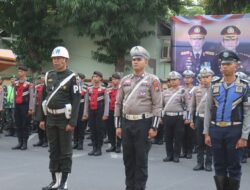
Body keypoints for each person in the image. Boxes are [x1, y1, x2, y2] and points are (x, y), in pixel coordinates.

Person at [115, 46, 162, 190]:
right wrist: (118, 125)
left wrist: (154, 127)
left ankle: (140, 187)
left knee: (141, 160)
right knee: (128, 159)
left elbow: (157, 105)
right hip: (127, 122)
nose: (135, 62)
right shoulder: (125, 80)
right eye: (133, 59)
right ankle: (129, 187)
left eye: (139, 59)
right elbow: (118, 103)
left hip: (144, 123)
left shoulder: (153, 80)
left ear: (146, 62)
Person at [204, 50, 250, 190]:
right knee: (218, 165)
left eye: (228, 64)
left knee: (234, 166)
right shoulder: (215, 84)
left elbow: (248, 112)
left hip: (234, 130)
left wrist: (244, 135)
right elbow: (208, 109)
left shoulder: (244, 85)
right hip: (216, 129)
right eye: (222, 64)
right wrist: (206, 132)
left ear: (236, 65)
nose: (224, 66)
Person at [39, 46, 80, 190]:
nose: (55, 61)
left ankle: (64, 182)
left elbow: (76, 101)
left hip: (64, 120)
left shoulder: (72, 78)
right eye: (54, 59)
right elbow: (43, 98)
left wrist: (73, 122)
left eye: (58, 59)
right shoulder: (49, 75)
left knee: (65, 152)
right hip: (50, 118)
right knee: (53, 150)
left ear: (66, 60)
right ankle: (54, 181)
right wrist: (42, 119)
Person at [189, 68, 213, 172]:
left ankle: (208, 163)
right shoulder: (196, 90)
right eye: (203, 77)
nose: (205, 79)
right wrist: (191, 120)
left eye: (207, 77)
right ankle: (199, 163)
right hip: (199, 118)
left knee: (209, 142)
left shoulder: (215, 89)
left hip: (211, 119)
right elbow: (192, 107)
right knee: (199, 142)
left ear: (211, 77)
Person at [162, 71, 189, 163]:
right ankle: (169, 155)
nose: (173, 81)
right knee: (168, 137)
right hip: (167, 116)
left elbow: (188, 105)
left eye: (175, 79)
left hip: (179, 117)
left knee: (178, 137)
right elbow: (161, 105)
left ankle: (176, 155)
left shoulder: (183, 91)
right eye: (171, 80)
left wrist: (188, 118)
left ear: (179, 80)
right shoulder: (165, 92)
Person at [83, 71, 109, 156]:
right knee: (92, 130)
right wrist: (85, 113)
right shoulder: (89, 89)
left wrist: (106, 114)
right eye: (94, 76)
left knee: (99, 130)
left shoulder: (104, 89)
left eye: (97, 76)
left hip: (100, 111)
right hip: (91, 111)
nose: (95, 78)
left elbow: (107, 103)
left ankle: (99, 149)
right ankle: (94, 148)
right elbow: (86, 102)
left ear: (100, 78)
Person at [12, 66, 34, 150]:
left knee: (25, 125)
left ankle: (24, 143)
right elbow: (15, 95)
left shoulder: (29, 84)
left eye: (21, 71)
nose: (19, 73)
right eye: (19, 71)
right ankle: (19, 142)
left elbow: (32, 96)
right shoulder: (16, 83)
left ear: (25, 73)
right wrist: (14, 106)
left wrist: (30, 108)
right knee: (18, 124)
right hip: (17, 106)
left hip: (25, 106)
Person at [181, 70, 195, 159]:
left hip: (190, 113)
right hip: (181, 113)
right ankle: (184, 151)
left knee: (190, 134)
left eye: (189, 77)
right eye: (185, 77)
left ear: (192, 79)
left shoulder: (195, 89)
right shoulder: (180, 89)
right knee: (182, 133)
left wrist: (190, 117)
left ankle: (189, 151)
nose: (186, 79)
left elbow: (193, 104)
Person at [106, 73, 122, 153]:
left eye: (116, 79)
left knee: (118, 128)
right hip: (110, 110)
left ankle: (118, 146)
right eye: (113, 79)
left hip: (119, 111)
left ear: (119, 80)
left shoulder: (121, 89)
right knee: (110, 129)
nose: (114, 81)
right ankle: (113, 145)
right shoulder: (108, 89)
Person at [73, 73, 88, 150]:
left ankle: (80, 143)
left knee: (81, 127)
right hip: (74, 107)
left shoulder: (85, 87)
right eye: (76, 79)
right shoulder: (73, 86)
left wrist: (85, 113)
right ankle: (75, 142)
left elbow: (86, 101)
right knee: (74, 126)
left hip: (82, 106)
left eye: (79, 79)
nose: (78, 80)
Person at [33, 73, 48, 147]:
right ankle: (40, 140)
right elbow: (34, 97)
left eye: (44, 77)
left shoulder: (49, 86)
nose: (42, 78)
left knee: (45, 124)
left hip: (45, 107)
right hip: (38, 106)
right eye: (41, 77)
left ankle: (46, 141)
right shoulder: (37, 87)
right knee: (38, 123)